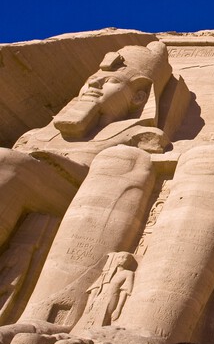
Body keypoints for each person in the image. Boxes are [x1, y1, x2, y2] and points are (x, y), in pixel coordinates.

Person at [0, 41, 179, 324]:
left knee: (8, 163)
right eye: (91, 81)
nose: (92, 86)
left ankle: (52, 317)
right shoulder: (36, 134)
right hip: (36, 186)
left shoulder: (135, 134)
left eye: (109, 82)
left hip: (78, 195)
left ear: (138, 97)